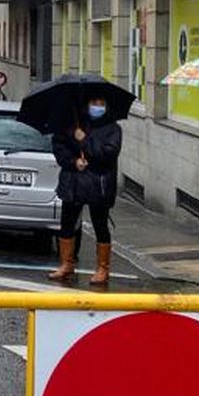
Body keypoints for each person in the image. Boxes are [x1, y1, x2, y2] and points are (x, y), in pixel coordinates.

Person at [48, 92, 123, 288]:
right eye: (93, 102)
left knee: (100, 226)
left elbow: (107, 153)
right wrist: (73, 162)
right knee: (67, 224)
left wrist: (84, 140)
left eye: (101, 103)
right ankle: (66, 264)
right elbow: (59, 147)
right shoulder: (73, 123)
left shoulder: (113, 129)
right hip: (73, 182)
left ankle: (103, 268)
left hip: (99, 184)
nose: (97, 106)